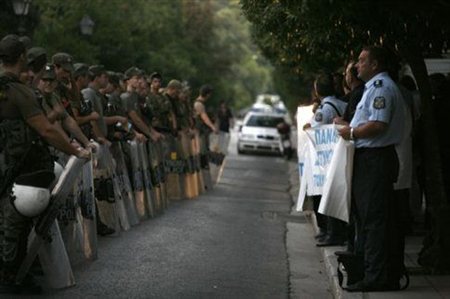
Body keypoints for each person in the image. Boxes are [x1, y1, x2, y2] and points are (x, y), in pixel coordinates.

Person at [0, 34, 90, 294]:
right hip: (17, 166)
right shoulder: (19, 92)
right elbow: (47, 130)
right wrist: (75, 150)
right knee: (16, 218)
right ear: (22, 59)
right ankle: (11, 275)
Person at [337, 46, 406, 292]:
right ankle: (369, 270)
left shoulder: (381, 88)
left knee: (374, 220)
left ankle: (376, 276)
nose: (357, 65)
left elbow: (378, 124)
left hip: (376, 160)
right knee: (367, 218)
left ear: (375, 64)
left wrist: (352, 132)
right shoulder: (372, 87)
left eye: (362, 60)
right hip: (369, 159)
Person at [306, 72, 347, 247]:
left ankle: (333, 234)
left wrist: (307, 125)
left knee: (329, 196)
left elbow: (314, 129)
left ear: (318, 90)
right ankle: (337, 232)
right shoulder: (342, 103)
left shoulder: (325, 108)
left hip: (329, 159)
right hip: (341, 156)